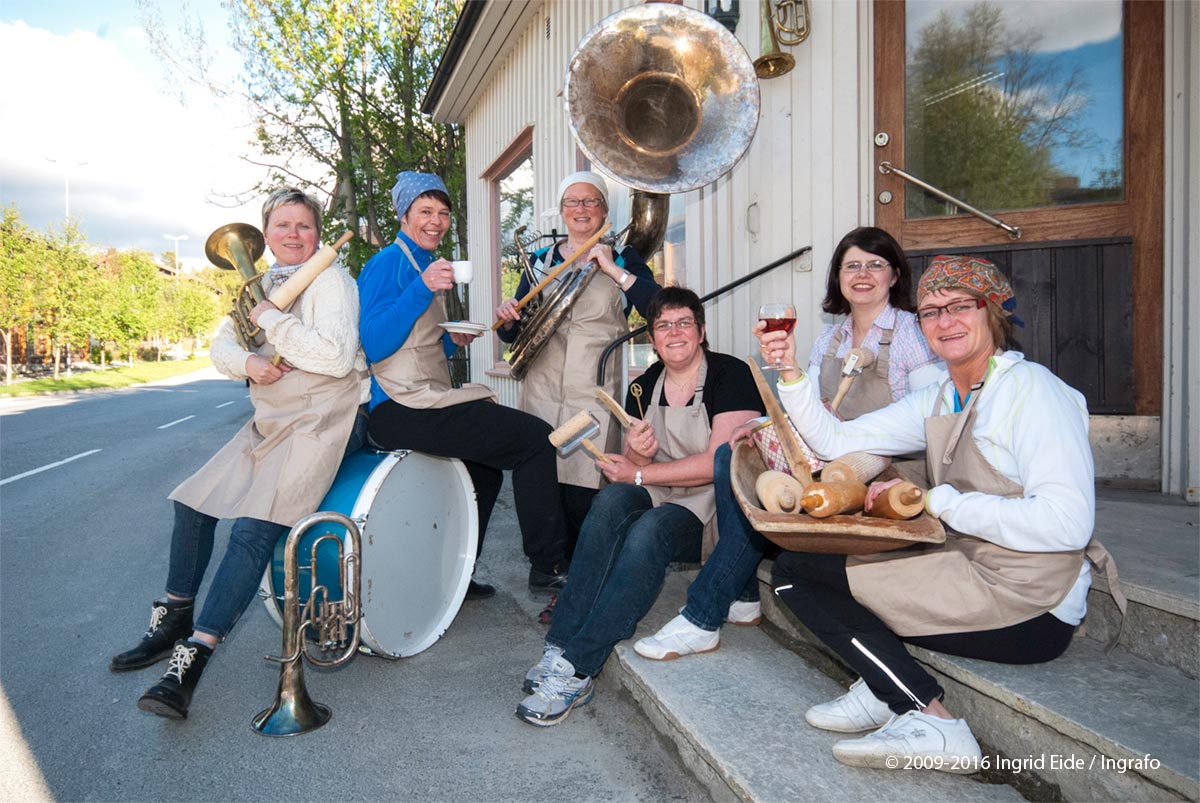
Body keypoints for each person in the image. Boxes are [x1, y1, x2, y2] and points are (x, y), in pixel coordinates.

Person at [757, 254, 1122, 770]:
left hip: (1031, 603)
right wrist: (790, 372)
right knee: (803, 563)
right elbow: (836, 439)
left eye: (959, 306)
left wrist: (943, 503)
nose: (944, 321)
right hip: (968, 567)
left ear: (991, 312)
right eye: (929, 311)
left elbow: (1067, 523)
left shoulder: (1032, 391)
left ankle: (932, 721)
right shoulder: (941, 396)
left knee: (798, 579)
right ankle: (882, 681)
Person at [111, 187, 368, 720]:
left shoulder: (332, 281)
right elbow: (222, 343)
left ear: (317, 233)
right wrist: (248, 365)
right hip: (272, 416)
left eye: (303, 225)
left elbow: (338, 358)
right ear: (267, 233)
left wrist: (272, 319)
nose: (293, 235)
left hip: (325, 418)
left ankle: (192, 659)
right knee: (193, 502)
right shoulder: (260, 282)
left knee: (252, 530)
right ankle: (175, 617)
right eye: (282, 226)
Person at [635, 226, 939, 661]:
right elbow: (804, 403)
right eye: (852, 265)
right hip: (825, 452)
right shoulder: (829, 338)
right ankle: (741, 593)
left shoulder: (912, 331)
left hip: (884, 462)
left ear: (894, 275)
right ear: (838, 277)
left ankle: (703, 615)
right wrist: (758, 423)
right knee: (731, 455)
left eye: (875, 265)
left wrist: (847, 434)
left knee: (761, 473)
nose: (863, 274)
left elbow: (929, 419)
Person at [515, 287, 764, 726]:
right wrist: (637, 453)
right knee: (610, 500)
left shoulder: (732, 374)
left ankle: (579, 667)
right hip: (664, 487)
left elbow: (716, 463)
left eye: (684, 322)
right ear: (652, 337)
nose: (675, 332)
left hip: (715, 509)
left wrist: (640, 473)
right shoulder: (643, 383)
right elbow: (643, 465)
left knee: (649, 531)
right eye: (664, 325)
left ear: (701, 331)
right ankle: (560, 643)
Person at [358, 171, 571, 599]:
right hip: (397, 407)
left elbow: (412, 342)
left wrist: (448, 338)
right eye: (424, 211)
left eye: (442, 213)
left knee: (485, 472)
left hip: (423, 398)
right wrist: (421, 289)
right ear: (403, 215)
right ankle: (548, 565)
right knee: (535, 439)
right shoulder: (388, 263)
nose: (435, 221)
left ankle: (451, 577)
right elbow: (374, 343)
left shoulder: (424, 261)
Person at [495, 171, 660, 563]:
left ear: (604, 209)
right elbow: (512, 334)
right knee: (541, 478)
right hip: (543, 387)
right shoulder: (540, 261)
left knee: (585, 482)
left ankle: (583, 567)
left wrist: (615, 270)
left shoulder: (623, 257)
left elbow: (658, 309)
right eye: (573, 202)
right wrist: (508, 319)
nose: (581, 209)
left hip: (594, 389)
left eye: (590, 201)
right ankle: (549, 567)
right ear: (561, 211)